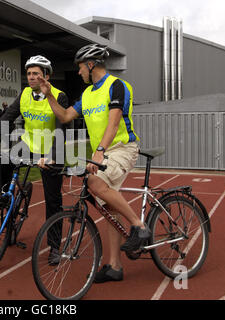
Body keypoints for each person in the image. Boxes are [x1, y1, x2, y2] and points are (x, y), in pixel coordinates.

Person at [37, 43, 150, 283]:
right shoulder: (87, 95)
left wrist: (99, 152)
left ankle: (139, 226)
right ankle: (114, 267)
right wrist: (48, 95)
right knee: (108, 206)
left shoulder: (117, 86)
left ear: (90, 65)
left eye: (80, 68)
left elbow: (113, 122)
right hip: (106, 153)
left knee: (94, 183)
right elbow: (66, 116)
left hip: (123, 148)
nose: (78, 73)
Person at [0, 55, 68, 264]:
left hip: (50, 149)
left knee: (53, 200)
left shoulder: (59, 96)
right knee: (3, 162)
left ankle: (55, 247)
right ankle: (7, 201)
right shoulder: (24, 94)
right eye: (29, 74)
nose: (31, 78)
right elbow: (7, 117)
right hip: (28, 145)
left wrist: (51, 156)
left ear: (46, 77)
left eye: (36, 74)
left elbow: (61, 129)